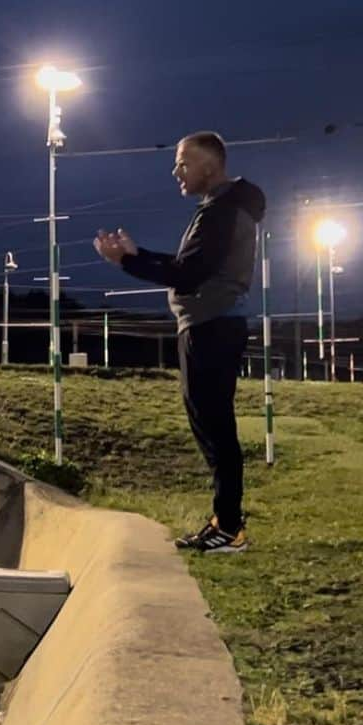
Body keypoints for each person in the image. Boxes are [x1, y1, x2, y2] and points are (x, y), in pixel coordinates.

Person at [93, 131, 265, 554]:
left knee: (215, 428)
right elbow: (187, 265)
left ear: (209, 166)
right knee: (210, 425)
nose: (176, 171)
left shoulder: (222, 211)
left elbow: (187, 275)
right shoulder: (218, 209)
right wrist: (138, 255)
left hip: (212, 325)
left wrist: (128, 262)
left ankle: (229, 528)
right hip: (208, 324)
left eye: (183, 162)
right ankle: (225, 522)